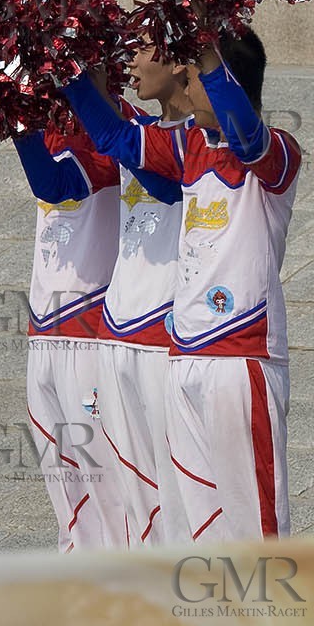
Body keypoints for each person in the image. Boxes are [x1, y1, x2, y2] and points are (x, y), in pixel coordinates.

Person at [63, 24, 300, 542]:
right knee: (194, 518)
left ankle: (270, 621)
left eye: (196, 78)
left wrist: (208, 42)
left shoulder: (274, 154)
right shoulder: (191, 146)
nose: (189, 90)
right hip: (185, 355)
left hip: (242, 356)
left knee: (253, 521)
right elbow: (112, 137)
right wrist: (65, 62)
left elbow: (243, 127)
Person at [92, 43, 196, 545]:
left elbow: (164, 187)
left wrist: (67, 67)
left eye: (143, 51)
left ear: (179, 61)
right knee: (128, 498)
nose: (130, 63)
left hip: (165, 335)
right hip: (116, 330)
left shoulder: (199, 141)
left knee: (174, 498)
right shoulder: (141, 133)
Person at [10, 94, 122, 552]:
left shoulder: (113, 127)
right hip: (45, 331)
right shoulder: (51, 122)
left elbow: (55, 184)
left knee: (104, 483)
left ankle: (120, 598)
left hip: (90, 332)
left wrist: (11, 113)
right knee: (64, 490)